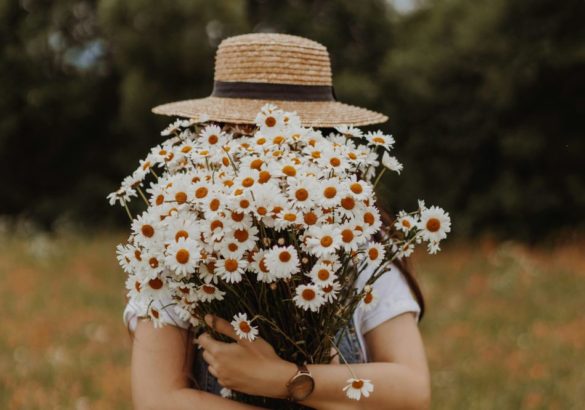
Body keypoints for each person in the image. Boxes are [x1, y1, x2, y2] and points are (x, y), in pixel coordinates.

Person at [123, 33, 431, 409]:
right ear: (218, 134)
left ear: (321, 142)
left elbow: (412, 389)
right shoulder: (178, 249)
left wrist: (287, 379)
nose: (270, 148)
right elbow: (158, 400)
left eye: (294, 133)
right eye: (249, 131)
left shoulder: (358, 242)